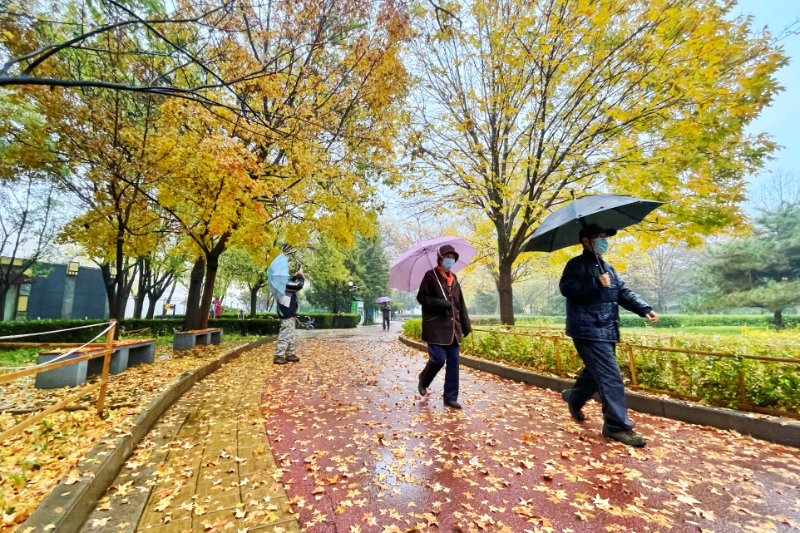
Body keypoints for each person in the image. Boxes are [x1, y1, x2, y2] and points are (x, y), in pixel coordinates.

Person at [559, 224, 658, 447]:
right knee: (610, 377)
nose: (605, 240)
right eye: (600, 237)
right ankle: (616, 426)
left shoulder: (607, 267)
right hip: (588, 329)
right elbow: (568, 290)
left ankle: (575, 397)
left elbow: (621, 292)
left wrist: (644, 308)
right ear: (586, 241)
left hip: (607, 329)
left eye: (605, 237)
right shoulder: (575, 265)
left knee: (595, 374)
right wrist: (595, 283)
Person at [416, 244, 472, 409]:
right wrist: (440, 303)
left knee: (453, 364)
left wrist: (466, 326)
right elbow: (422, 298)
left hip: (454, 330)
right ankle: (424, 379)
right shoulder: (430, 276)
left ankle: (450, 397)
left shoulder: (454, 278)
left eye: (453, 257)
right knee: (438, 359)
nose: (450, 259)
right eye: (447, 256)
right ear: (440, 258)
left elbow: (460, 303)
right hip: (435, 329)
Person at [274, 267, 305, 365]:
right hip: (286, 313)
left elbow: (291, 283)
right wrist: (300, 276)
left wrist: (295, 277)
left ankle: (289, 354)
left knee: (290, 334)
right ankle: (278, 355)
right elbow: (298, 285)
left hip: (289, 313)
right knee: (285, 334)